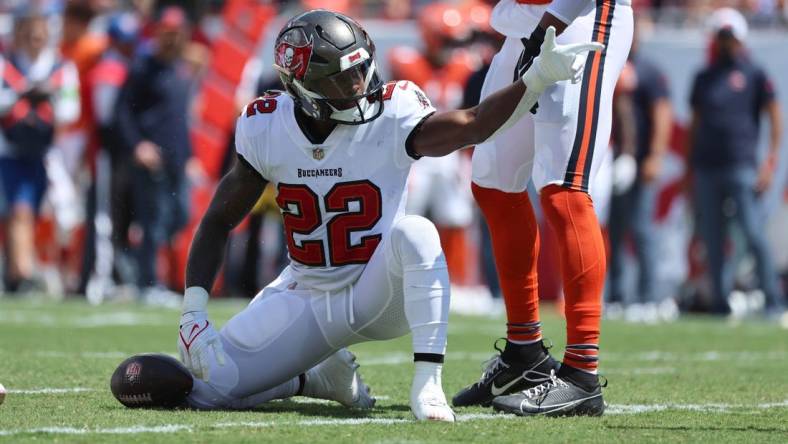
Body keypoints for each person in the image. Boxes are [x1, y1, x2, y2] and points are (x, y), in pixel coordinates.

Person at [174, 9, 601, 421]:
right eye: (343, 79)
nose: (360, 84)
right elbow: (218, 220)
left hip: (379, 293)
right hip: (307, 293)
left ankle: (427, 381)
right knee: (209, 391)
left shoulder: (394, 110)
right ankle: (316, 379)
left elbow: (473, 123)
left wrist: (535, 79)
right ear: (303, 88)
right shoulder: (266, 125)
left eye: (361, 69)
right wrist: (193, 311)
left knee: (416, 232)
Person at [453, 0, 633, 417]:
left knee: (564, 191)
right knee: (493, 182)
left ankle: (582, 376)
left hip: (579, 18)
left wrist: (546, 28)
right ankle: (524, 354)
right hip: (524, 22)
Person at [688, 8, 784, 317]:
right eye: (722, 36)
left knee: (754, 233)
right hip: (707, 167)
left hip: (742, 166)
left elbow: (774, 115)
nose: (727, 43)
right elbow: (695, 124)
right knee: (713, 240)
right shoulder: (704, 77)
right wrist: (691, 169)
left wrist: (770, 160)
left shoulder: (754, 73)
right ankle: (719, 303)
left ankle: (772, 300)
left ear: (740, 39)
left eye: (731, 37)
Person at [389, 2, 481, 286]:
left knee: (456, 216)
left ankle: (457, 283)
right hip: (414, 154)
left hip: (451, 153)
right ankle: (395, 281)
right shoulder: (404, 62)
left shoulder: (465, 65)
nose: (452, 46)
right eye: (446, 39)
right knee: (403, 218)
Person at [114, 6, 195, 300]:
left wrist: (190, 156)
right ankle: (147, 283)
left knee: (181, 215)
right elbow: (122, 112)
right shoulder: (143, 68)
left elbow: (179, 119)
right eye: (167, 33)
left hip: (177, 158)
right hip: (151, 157)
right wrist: (137, 145)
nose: (172, 39)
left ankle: (142, 273)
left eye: (177, 33)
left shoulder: (181, 69)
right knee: (153, 220)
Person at [0, 11, 80, 292]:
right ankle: (20, 273)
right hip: (10, 149)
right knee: (19, 210)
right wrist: (22, 96)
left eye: (40, 35)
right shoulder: (5, 65)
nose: (35, 41)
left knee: (54, 215)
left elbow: (71, 110)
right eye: (29, 35)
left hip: (48, 154)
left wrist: (47, 98)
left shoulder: (62, 68)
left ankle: (23, 271)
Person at [607, 26, 673, 323]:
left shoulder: (648, 71)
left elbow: (662, 113)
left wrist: (654, 156)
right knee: (616, 229)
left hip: (640, 158)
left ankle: (648, 295)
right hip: (612, 159)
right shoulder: (609, 64)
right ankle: (617, 295)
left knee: (642, 228)